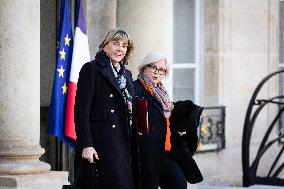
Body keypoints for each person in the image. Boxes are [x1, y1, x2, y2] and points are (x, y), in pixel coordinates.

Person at [131, 51, 203, 189]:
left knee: (178, 183)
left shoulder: (162, 92)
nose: (157, 72)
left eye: (162, 70)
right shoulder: (135, 90)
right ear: (144, 67)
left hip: (167, 152)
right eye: (153, 67)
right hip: (147, 154)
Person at [74, 29, 135, 189]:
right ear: (105, 46)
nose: (120, 49)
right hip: (101, 143)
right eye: (115, 43)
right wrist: (86, 145)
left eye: (124, 46)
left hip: (124, 142)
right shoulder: (91, 69)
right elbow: (81, 111)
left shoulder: (127, 74)